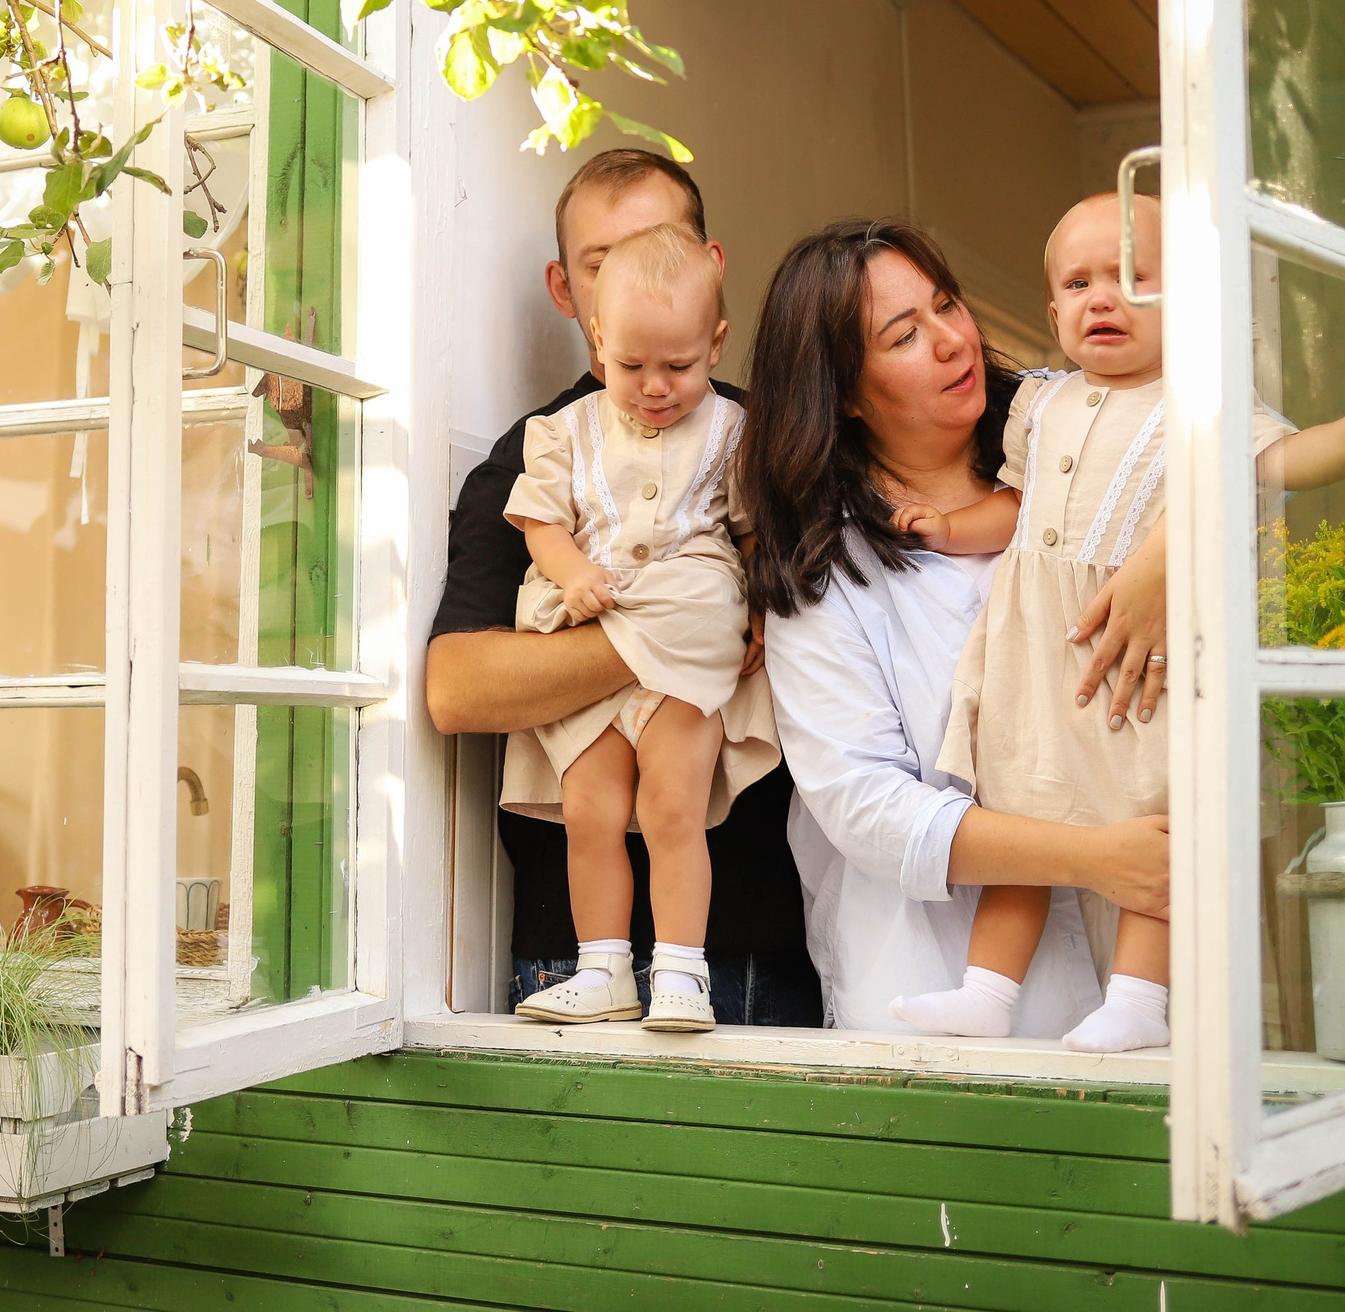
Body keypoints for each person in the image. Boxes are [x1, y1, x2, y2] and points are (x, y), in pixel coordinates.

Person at [884, 194, 1345, 1050]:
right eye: (1080, 282)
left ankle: (1141, 1003)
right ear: (1053, 310)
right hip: (1042, 655)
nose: (1103, 298)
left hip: (1144, 664)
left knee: (1157, 818)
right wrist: (954, 528)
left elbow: (1279, 462)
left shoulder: (1200, 404)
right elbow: (1022, 507)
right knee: (1025, 815)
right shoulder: (1039, 401)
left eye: (1136, 278)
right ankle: (986, 992)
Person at [738, 218, 1170, 1033]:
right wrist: (1097, 858)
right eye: (904, 334)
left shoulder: (1070, 436)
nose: (950, 340)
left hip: (1150, 957)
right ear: (847, 392)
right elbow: (865, 805)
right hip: (939, 983)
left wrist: (1167, 555)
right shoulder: (829, 567)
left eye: (947, 305)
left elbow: (1224, 446)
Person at [426, 150, 817, 1026]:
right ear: (571, 294)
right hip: (561, 944)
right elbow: (455, 689)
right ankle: (610, 966)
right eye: (603, 261)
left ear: (709, 268)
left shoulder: (764, 438)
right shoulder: (535, 450)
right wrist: (680, 624)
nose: (635, 274)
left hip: (751, 935)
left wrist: (735, 607)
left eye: (660, 244)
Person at [500, 222, 780, 1031]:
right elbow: (542, 524)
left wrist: (759, 599)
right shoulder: (564, 432)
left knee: (671, 809)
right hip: (593, 613)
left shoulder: (733, 430)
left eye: (680, 366)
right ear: (596, 339)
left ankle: (683, 970)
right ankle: (605, 965)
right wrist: (574, 573)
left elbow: (749, 530)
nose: (656, 386)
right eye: (632, 365)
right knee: (589, 809)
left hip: (686, 639)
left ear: (717, 343)